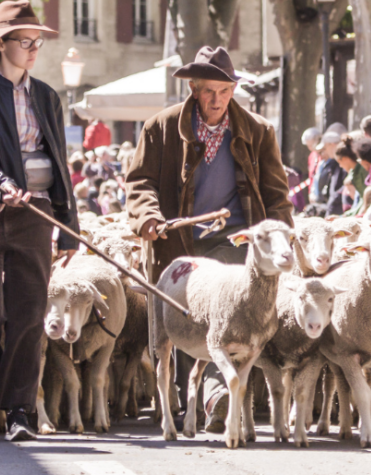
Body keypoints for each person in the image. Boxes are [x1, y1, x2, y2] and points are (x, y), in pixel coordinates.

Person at [124, 45, 292, 433]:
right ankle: (191, 399)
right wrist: (148, 217)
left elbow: (276, 195)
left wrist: (280, 235)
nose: (217, 100)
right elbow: (140, 183)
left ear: (233, 91)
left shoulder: (257, 131)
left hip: (233, 240)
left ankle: (216, 398)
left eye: (225, 92)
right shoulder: (160, 127)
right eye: (209, 91)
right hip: (177, 241)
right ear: (194, 89)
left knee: (224, 318)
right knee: (182, 318)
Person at [0, 0, 79, 442]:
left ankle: (21, 408)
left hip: (35, 211)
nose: (33, 49)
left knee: (29, 312)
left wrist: (69, 222)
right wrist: (2, 184)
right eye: (25, 41)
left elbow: (60, 161)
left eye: (37, 41)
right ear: (1, 43)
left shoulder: (45, 95)